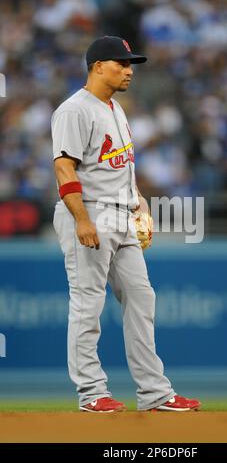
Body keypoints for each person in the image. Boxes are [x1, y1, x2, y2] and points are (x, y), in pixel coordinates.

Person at [51, 35, 201, 413]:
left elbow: (121, 166)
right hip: (89, 212)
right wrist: (81, 218)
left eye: (131, 63)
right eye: (122, 63)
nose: (129, 70)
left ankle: (154, 393)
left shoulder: (116, 108)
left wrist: (140, 206)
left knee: (141, 297)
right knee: (88, 304)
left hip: (121, 213)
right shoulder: (75, 110)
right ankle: (91, 393)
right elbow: (63, 166)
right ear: (98, 66)